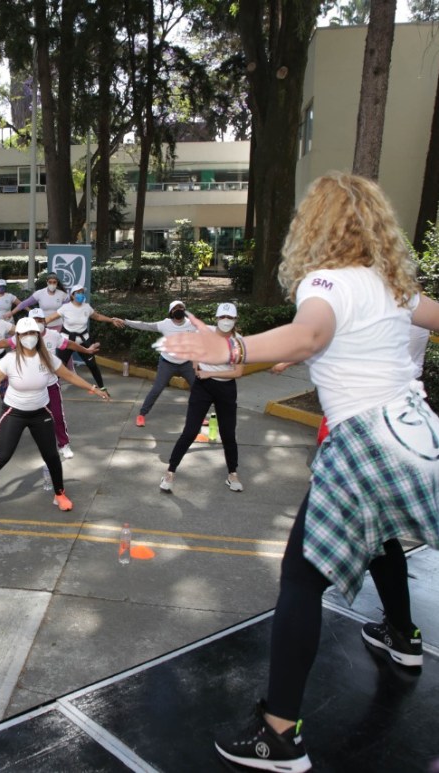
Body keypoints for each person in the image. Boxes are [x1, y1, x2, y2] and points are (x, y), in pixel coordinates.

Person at [157, 172, 439, 772]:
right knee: (384, 535)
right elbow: (312, 345)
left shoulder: (327, 281)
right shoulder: (393, 287)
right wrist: (247, 364)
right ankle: (402, 637)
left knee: (301, 582)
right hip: (418, 432)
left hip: (364, 442)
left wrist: (230, 349)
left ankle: (278, 734)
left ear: (316, 226)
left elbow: (310, 334)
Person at [0, 318, 110, 518]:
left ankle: (59, 494)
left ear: (39, 335)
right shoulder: (9, 359)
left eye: (32, 333)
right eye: (24, 334)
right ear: (18, 337)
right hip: (13, 412)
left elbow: (70, 376)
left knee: (51, 455)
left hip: (40, 412)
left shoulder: (48, 358)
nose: (29, 337)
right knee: (2, 456)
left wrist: (94, 388)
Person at [0, 308, 102, 460]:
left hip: (50, 384)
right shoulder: (23, 337)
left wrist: (86, 350)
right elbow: (5, 342)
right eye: (35, 321)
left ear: (45, 322)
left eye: (41, 320)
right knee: (22, 416)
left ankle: (63, 444)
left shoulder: (54, 336)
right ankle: (8, 446)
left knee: (58, 416)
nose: (38, 324)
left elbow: (71, 345)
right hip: (29, 384)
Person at [159, 302, 244, 494]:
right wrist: (196, 366)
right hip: (203, 388)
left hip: (226, 388)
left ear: (235, 320)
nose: (226, 321)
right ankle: (169, 472)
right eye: (222, 317)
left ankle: (233, 474)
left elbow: (238, 372)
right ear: (216, 318)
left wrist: (209, 374)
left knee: (228, 433)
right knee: (190, 431)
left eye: (230, 318)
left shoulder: (239, 341)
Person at [124, 300, 199, 427]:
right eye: (175, 309)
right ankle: (142, 414)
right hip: (167, 363)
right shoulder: (165, 324)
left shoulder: (192, 324)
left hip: (186, 363)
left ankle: (199, 416)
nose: (179, 310)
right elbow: (144, 325)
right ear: (171, 312)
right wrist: (125, 322)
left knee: (198, 389)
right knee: (157, 389)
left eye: (181, 308)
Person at [44, 284, 124, 391]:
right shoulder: (65, 308)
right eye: (78, 293)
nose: (81, 295)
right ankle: (49, 389)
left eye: (82, 292)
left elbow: (98, 316)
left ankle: (102, 387)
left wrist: (112, 320)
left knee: (92, 365)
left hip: (83, 341)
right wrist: (37, 325)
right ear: (72, 296)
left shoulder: (86, 307)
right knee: (60, 367)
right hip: (67, 341)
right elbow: (50, 318)